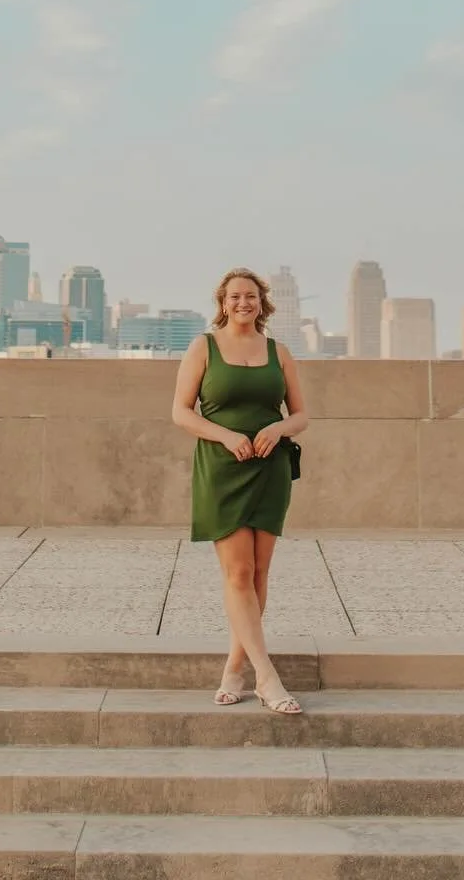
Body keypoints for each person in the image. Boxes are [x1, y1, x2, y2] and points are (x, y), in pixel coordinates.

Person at [172, 266, 311, 714]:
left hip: (269, 469)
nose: (242, 303)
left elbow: (302, 415)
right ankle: (266, 677)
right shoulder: (204, 347)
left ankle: (235, 668)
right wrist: (225, 436)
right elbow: (180, 412)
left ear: (262, 302)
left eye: (250, 296)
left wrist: (277, 426)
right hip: (222, 468)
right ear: (223, 302)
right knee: (237, 573)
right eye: (234, 296)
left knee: (258, 574)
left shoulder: (279, 351)